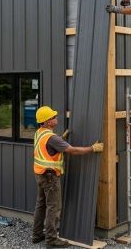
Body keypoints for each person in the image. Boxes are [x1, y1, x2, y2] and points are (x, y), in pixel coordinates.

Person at [32, 106, 103, 247]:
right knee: (54, 208)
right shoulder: (51, 138)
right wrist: (92, 148)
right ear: (45, 122)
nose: (55, 118)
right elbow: (72, 150)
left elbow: (49, 147)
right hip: (50, 177)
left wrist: (61, 138)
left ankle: (37, 235)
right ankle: (51, 240)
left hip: (40, 174)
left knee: (41, 206)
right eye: (52, 117)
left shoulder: (39, 133)